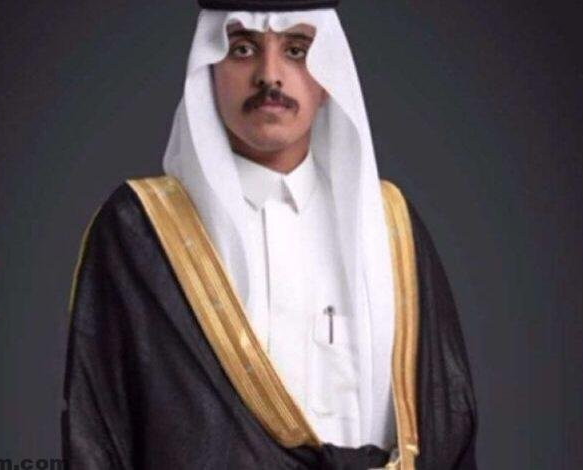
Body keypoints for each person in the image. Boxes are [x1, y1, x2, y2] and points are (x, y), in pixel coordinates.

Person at [61, 1, 477, 468]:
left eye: (296, 50)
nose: (269, 76)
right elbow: (99, 435)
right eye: (242, 49)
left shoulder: (389, 227)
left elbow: (449, 428)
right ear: (209, 70)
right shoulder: (141, 232)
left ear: (328, 75)